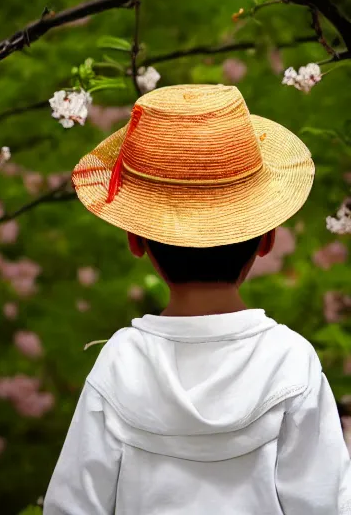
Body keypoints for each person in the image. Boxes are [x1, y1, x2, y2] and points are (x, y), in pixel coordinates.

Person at [44, 83, 351, 514]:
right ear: (267, 238)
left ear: (136, 240)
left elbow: (72, 507)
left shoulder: (120, 361)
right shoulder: (290, 361)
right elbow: (326, 505)